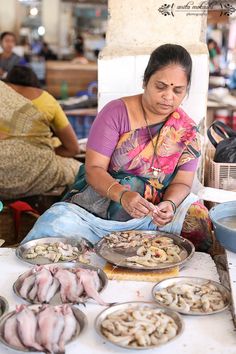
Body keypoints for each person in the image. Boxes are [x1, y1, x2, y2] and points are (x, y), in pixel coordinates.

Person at [23, 44, 213, 252]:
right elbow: (94, 170)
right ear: (145, 82)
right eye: (160, 86)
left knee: (198, 219)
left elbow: (183, 183)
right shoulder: (116, 113)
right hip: (100, 206)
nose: (169, 96)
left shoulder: (186, 131)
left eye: (178, 90)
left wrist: (170, 205)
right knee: (53, 227)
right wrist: (123, 195)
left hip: (152, 214)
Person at [0, 65, 81, 199]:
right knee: (81, 171)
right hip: (39, 171)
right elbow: (73, 148)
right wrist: (43, 150)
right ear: (35, 84)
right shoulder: (47, 100)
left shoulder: (3, 93)